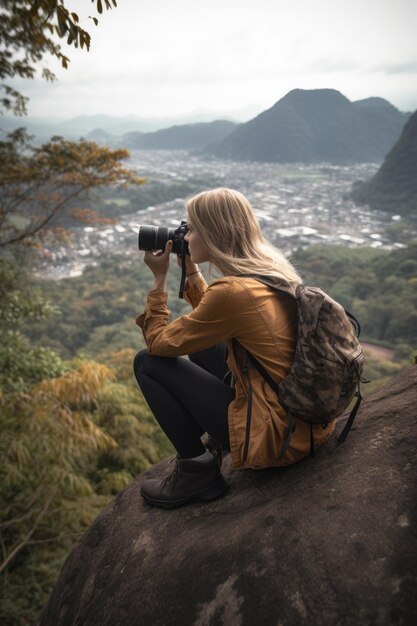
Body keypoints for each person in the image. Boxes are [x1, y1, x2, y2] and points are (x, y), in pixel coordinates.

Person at [134, 188, 335, 509]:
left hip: (276, 438)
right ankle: (215, 440)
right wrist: (191, 269)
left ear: (213, 233)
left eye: (192, 229)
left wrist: (159, 282)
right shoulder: (269, 267)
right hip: (305, 423)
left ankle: (197, 469)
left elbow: (159, 345)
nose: (185, 237)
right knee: (202, 349)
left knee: (147, 362)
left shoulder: (233, 291)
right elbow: (212, 319)